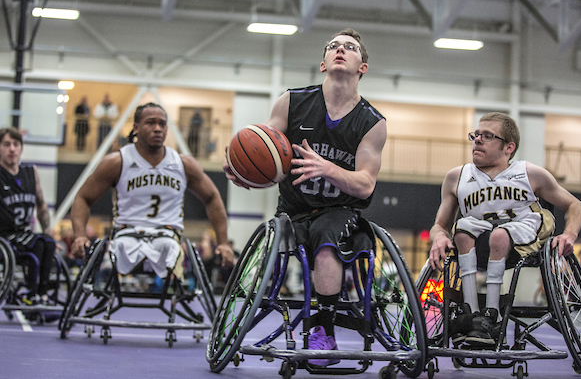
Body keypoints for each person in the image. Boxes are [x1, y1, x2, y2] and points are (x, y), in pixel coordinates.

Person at [224, 28, 386, 366]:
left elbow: (366, 184)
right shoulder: (292, 101)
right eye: (333, 46)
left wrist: (326, 168)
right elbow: (266, 148)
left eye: (351, 47)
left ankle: (323, 329)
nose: (341, 50)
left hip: (339, 210)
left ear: (362, 67)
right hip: (294, 208)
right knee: (303, 233)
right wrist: (245, 171)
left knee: (326, 238)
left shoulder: (372, 122)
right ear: (324, 63)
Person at [428, 112, 581, 347]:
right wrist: (438, 238)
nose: (478, 140)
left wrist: (570, 234)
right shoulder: (456, 177)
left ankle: (493, 314)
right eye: (476, 135)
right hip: (477, 243)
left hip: (523, 235)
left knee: (500, 235)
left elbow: (575, 205)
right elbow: (440, 225)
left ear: (509, 147)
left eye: (488, 136)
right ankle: (472, 313)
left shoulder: (529, 173)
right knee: (460, 229)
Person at [71, 102, 234, 284]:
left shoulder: (182, 164)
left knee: (170, 247)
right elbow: (83, 198)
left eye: (162, 124)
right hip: (127, 233)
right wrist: (79, 236)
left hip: (167, 234)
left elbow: (212, 197)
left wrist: (223, 243)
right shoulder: (117, 162)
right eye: (150, 123)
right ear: (136, 127)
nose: (158, 129)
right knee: (121, 247)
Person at [0, 127, 56, 304]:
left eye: (16, 144)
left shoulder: (31, 172)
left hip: (23, 234)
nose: (12, 149)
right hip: (4, 237)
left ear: (21, 149)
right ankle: (30, 293)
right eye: (6, 144)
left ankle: (43, 293)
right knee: (37, 244)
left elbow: (41, 204)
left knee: (48, 241)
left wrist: (48, 230)